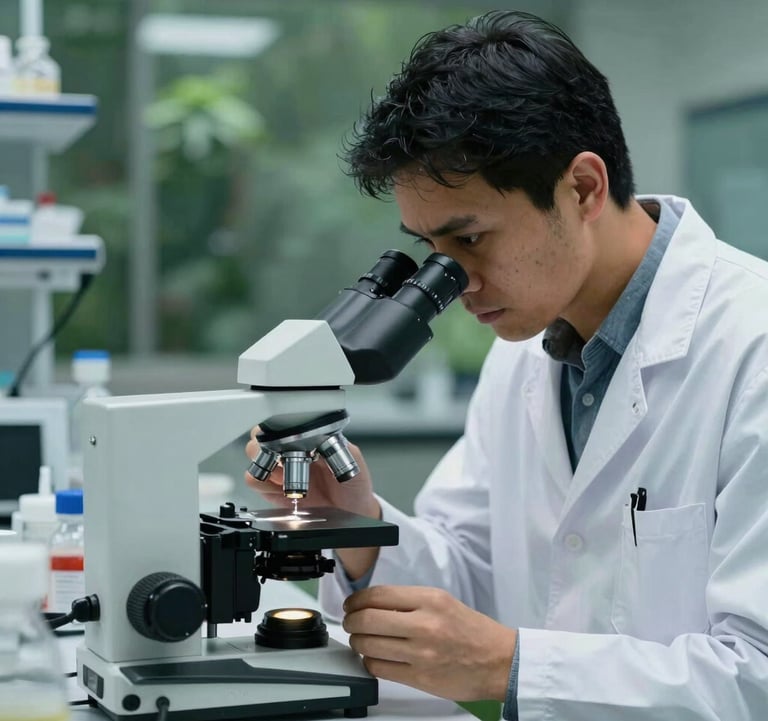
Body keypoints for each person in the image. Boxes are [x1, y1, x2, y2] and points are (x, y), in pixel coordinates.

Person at [246, 10, 768, 720]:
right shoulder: (522, 356)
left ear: (582, 188)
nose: (453, 280)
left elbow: (756, 676)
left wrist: (511, 664)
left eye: (470, 237)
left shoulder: (752, 346)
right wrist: (359, 524)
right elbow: (466, 584)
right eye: (430, 248)